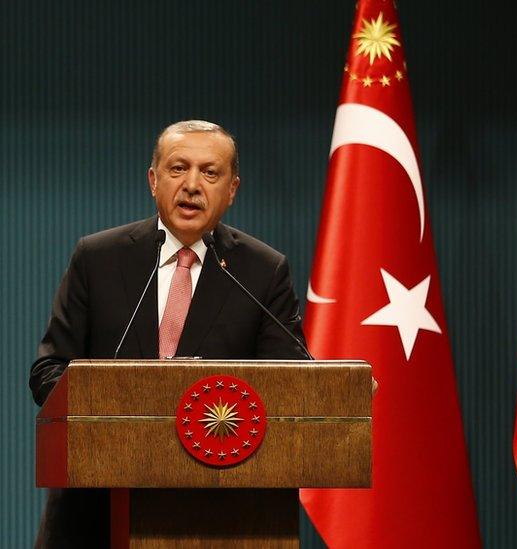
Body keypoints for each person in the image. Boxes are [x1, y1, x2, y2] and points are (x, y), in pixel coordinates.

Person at [29, 120, 309, 548]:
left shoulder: (262, 271)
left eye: (209, 173)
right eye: (178, 168)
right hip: (96, 512)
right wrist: (126, 408)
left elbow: (289, 383)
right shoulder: (99, 258)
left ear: (232, 189)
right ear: (153, 180)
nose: (192, 185)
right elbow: (49, 372)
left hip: (217, 516)